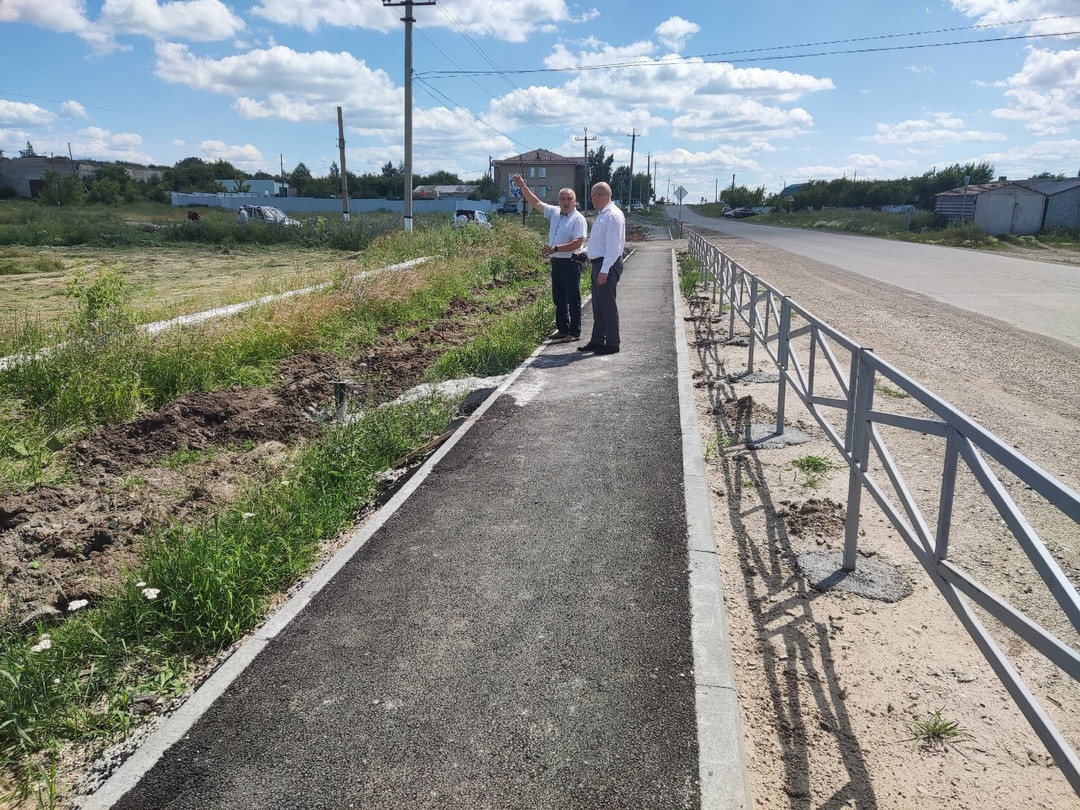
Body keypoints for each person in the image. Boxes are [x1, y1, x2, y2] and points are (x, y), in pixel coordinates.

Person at [511, 174, 587, 342]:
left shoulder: (578, 219)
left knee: (573, 299)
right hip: (557, 262)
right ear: (558, 201)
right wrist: (523, 186)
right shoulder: (555, 213)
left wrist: (556, 248)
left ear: (575, 201)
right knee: (559, 298)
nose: (565, 202)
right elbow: (535, 202)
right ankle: (562, 328)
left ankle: (574, 332)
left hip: (571, 262)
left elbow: (578, 242)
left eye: (569, 199)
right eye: (562, 199)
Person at [578, 182, 625, 355]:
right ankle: (598, 339)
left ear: (599, 195)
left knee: (607, 305)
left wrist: (605, 270)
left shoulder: (612, 215)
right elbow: (599, 243)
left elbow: (613, 246)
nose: (591, 200)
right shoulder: (603, 215)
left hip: (607, 264)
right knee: (598, 305)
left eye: (592, 196)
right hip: (600, 263)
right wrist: (583, 251)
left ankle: (612, 343)